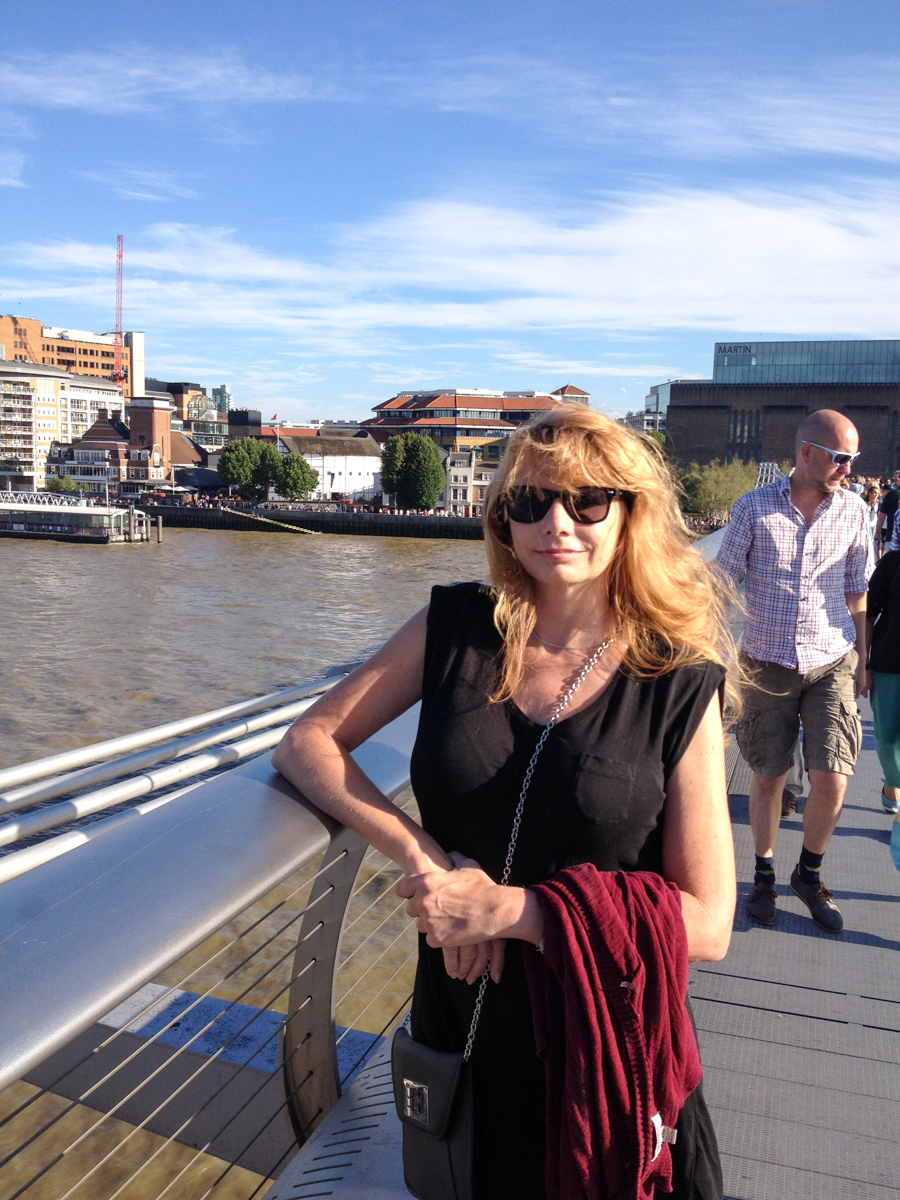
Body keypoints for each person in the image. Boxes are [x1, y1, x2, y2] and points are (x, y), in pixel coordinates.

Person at [272, 406, 736, 1200]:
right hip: (464, 1027)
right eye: (529, 503)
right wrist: (428, 859)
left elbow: (710, 922)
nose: (556, 522)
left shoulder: (677, 682)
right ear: (502, 520)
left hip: (603, 1047)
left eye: (587, 501)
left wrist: (511, 913)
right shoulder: (454, 627)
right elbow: (308, 743)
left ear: (629, 515)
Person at [717, 410, 873, 934]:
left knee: (833, 775)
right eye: (840, 458)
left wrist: (864, 658)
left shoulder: (854, 512)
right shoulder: (753, 509)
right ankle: (763, 876)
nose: (848, 469)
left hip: (832, 658)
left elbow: (857, 590)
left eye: (853, 459)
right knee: (768, 775)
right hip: (766, 661)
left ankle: (808, 873)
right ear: (806, 452)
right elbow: (722, 582)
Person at [862, 547, 900, 814]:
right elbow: (867, 613)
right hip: (888, 663)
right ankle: (893, 783)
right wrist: (863, 665)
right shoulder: (892, 563)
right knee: (887, 740)